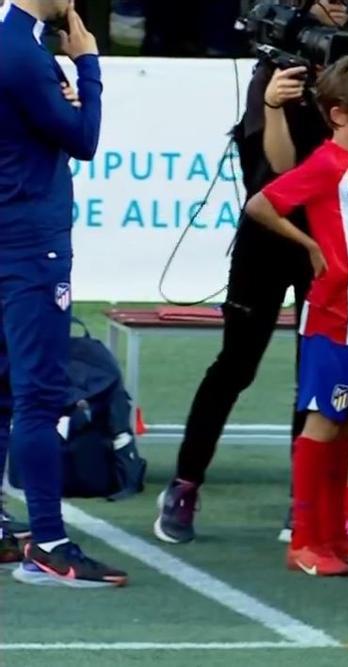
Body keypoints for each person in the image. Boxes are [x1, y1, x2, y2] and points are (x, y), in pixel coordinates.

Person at [154, 0, 348, 546]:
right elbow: (281, 172)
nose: (340, 6)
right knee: (236, 365)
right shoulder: (272, 71)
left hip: (327, 243)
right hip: (268, 240)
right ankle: (184, 483)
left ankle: (304, 499)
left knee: (310, 373)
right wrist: (275, 103)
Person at [244, 56, 348, 577]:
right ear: (338, 115)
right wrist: (308, 244)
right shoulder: (328, 163)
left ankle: (335, 536)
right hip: (333, 318)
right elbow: (262, 204)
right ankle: (305, 539)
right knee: (323, 423)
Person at [0, 0, 126, 587]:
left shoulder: (14, 41)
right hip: (28, 244)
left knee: (4, 389)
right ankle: (48, 543)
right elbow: (83, 139)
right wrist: (89, 67)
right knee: (39, 395)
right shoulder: (24, 51)